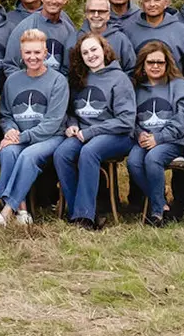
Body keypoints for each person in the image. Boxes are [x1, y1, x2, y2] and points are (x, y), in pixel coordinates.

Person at [0, 30, 70, 228]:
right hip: (20, 137)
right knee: (9, 151)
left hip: (50, 138)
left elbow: (52, 122)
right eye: (28, 53)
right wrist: (10, 130)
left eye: (37, 52)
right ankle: (21, 211)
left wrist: (20, 137)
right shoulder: (13, 81)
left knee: (28, 155)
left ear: (46, 53)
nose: (33, 57)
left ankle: (4, 213)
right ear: (21, 53)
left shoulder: (58, 81)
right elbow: (5, 114)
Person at [54, 32, 134, 231]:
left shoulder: (119, 78)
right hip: (83, 133)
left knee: (89, 152)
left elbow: (126, 120)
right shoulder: (79, 78)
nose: (90, 55)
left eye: (94, 49)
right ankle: (78, 211)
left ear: (104, 50)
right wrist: (71, 123)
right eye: (85, 52)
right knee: (62, 154)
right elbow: (71, 111)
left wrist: (92, 132)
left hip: (117, 135)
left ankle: (85, 217)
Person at [127, 42, 184, 227]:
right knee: (133, 161)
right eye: (150, 62)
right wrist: (139, 133)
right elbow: (128, 116)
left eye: (160, 62)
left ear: (167, 64)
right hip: (144, 139)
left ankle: (157, 213)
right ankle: (161, 200)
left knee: (153, 158)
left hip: (173, 140)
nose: (155, 66)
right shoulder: (136, 88)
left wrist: (160, 138)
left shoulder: (178, 85)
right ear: (143, 64)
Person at [122, 0, 184, 72]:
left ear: (166, 3)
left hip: (174, 83)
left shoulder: (181, 30)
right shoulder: (129, 31)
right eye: (147, 0)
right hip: (138, 84)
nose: (152, 4)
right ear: (142, 5)